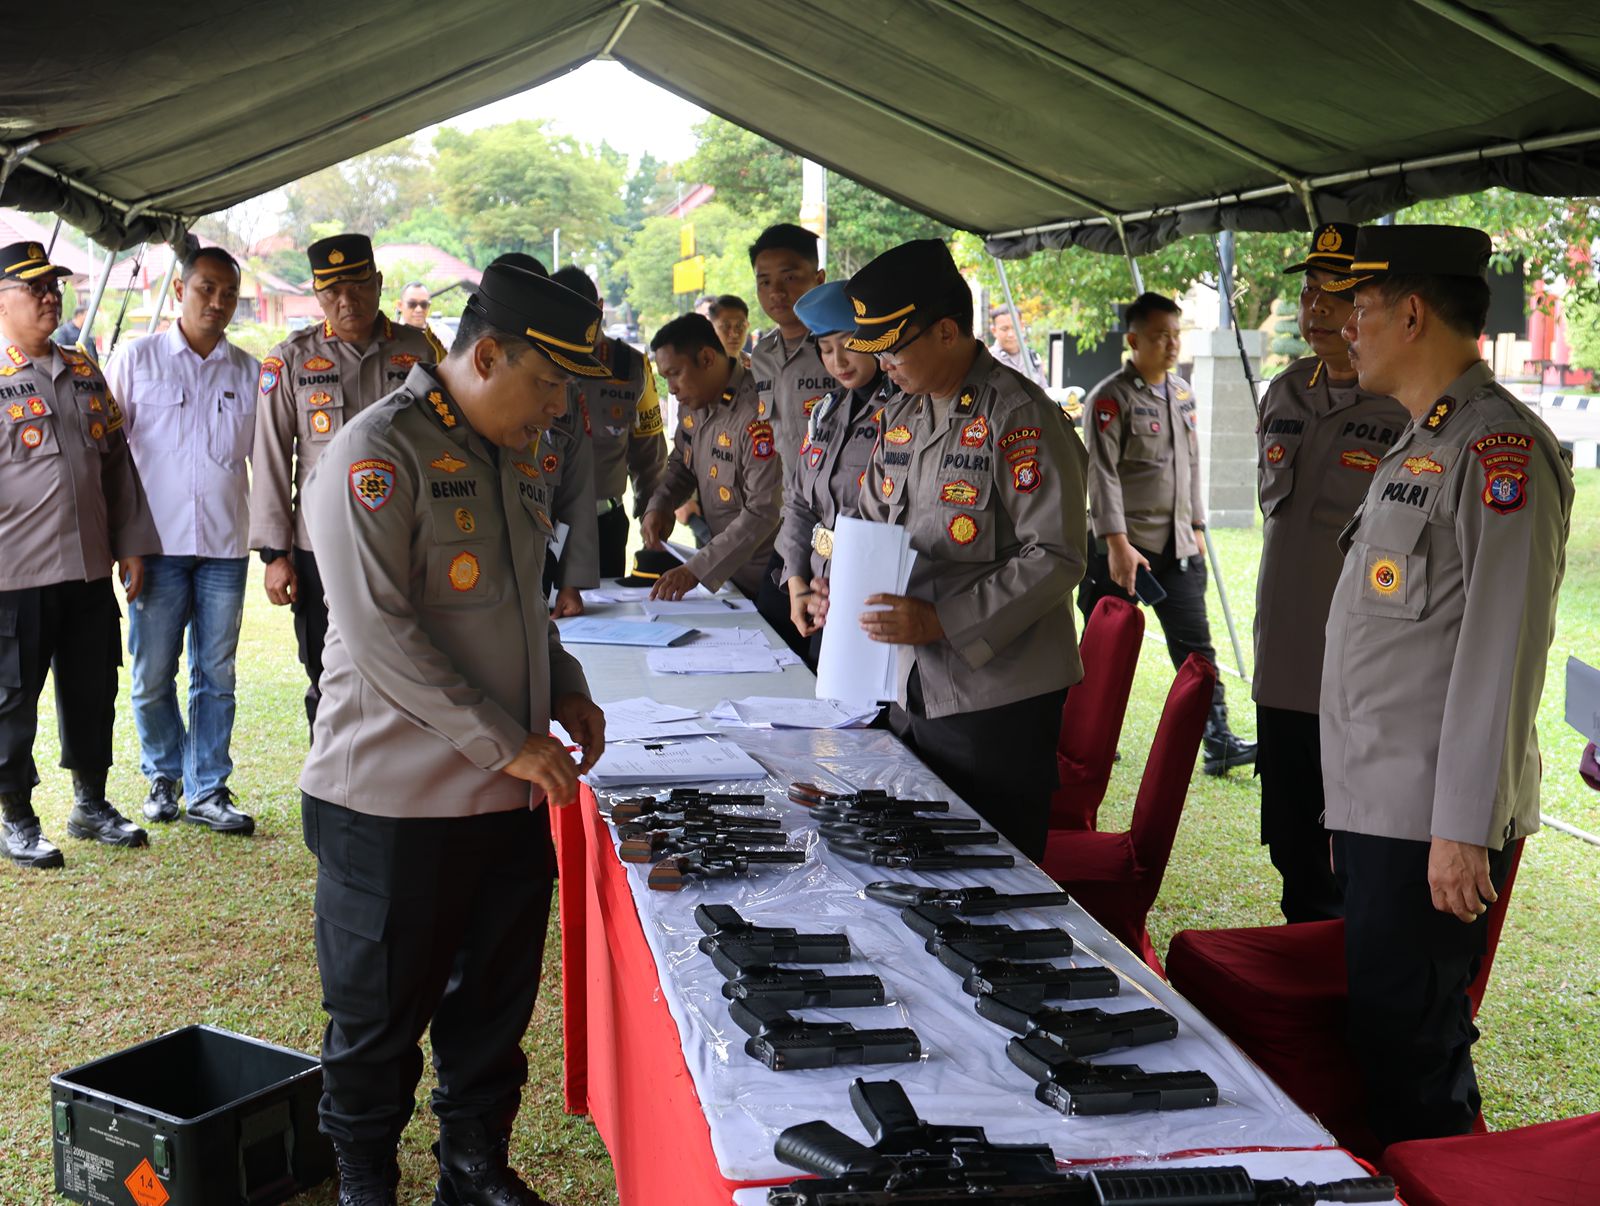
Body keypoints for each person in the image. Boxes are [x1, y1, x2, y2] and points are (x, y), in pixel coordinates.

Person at [298, 261, 607, 1206]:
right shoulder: (376, 453)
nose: (556, 408)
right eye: (546, 382)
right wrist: (506, 740)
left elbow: (522, 604)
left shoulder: (514, 452)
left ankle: (474, 1166)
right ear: (486, 356)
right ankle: (365, 1183)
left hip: (506, 798)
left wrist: (566, 686)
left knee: (492, 1010)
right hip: (393, 802)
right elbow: (380, 635)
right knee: (377, 1019)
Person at [1321, 224, 1572, 1146]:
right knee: (1385, 1045)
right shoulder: (1424, 438)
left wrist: (1462, 830)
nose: (1345, 327)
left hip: (1431, 822)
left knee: (1417, 1063)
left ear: (1413, 314)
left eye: (1360, 307)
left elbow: (1503, 653)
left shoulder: (1498, 449)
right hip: (1381, 808)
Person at [821, 239, 1087, 863]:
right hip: (909, 686)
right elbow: (870, 519)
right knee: (918, 862)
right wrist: (842, 582)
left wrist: (944, 620)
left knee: (990, 874)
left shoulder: (1018, 415)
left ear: (946, 331)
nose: (882, 363)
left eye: (893, 347)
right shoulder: (902, 413)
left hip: (995, 699)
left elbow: (1056, 554)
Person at [1251, 223, 1408, 922]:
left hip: (1357, 673)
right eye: (1310, 290)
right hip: (1283, 663)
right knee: (1292, 843)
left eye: (1337, 294)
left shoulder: (1402, 408)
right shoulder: (1286, 391)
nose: (1316, 307)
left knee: (1350, 855)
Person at [0, 241, 158, 868]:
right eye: (34, 288)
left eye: (54, 286)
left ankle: (90, 804)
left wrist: (132, 543)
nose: (50, 297)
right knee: (11, 699)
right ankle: (16, 817)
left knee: (94, 689)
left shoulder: (83, 368)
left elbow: (118, 465)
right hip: (16, 574)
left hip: (90, 568)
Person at [249, 233, 446, 735]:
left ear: (378, 283)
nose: (346, 300)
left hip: (408, 538)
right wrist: (274, 554)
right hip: (322, 545)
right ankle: (329, 762)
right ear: (316, 294)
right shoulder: (289, 360)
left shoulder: (419, 351)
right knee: (326, 669)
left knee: (413, 659)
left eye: (358, 285)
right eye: (331, 290)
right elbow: (271, 457)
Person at [105, 246, 261, 835]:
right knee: (151, 674)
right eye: (206, 289)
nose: (217, 302)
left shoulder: (249, 373)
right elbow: (111, 454)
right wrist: (124, 541)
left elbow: (267, 461)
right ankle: (163, 775)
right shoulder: (136, 359)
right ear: (179, 290)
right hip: (154, 546)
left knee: (216, 674)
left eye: (229, 293)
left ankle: (208, 788)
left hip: (224, 546)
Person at [1078, 291, 1255, 775]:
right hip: (1123, 549)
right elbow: (1101, 475)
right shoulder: (1110, 399)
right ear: (1134, 340)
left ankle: (1218, 740)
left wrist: (1195, 526)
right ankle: (1085, 737)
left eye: (1176, 335)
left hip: (1176, 547)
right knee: (1105, 651)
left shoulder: (1181, 393)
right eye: (1160, 336)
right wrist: (1116, 544)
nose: (1172, 344)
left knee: (1196, 648)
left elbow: (1190, 465)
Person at [640, 314, 788, 632]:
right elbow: (683, 463)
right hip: (727, 578)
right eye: (665, 377)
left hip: (770, 580)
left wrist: (696, 570)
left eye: (675, 374)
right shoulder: (694, 402)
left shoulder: (757, 413)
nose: (672, 389)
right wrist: (661, 504)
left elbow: (764, 511)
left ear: (707, 358)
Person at [775, 280, 888, 667]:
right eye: (826, 349)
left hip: (873, 600)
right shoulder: (826, 413)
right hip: (820, 596)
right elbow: (798, 502)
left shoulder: (905, 413)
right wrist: (797, 583)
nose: (838, 361)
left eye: (849, 344)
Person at [549, 265, 666, 582]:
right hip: (543, 519)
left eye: (581, 314)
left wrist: (653, 516)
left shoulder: (631, 366)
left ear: (599, 308)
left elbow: (650, 454)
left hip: (604, 522)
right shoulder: (535, 359)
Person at [748, 224, 837, 472]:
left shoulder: (843, 349)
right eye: (765, 282)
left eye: (789, 278)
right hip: (786, 494)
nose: (776, 292)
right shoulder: (762, 356)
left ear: (819, 279)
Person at [988, 305, 1047, 387]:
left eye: (1015, 327)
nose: (1011, 334)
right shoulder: (988, 362)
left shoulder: (1032, 358)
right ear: (994, 331)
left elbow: (1044, 390)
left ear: (1022, 326)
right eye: (1004, 329)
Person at [709, 294, 751, 361]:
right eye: (726, 326)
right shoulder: (700, 365)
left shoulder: (757, 364)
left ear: (747, 325)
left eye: (739, 326)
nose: (734, 334)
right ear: (711, 328)